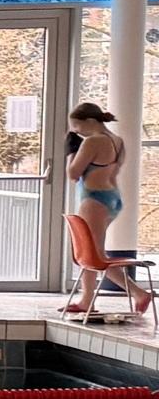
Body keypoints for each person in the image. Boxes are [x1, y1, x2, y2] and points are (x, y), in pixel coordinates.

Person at [65, 102, 151, 320]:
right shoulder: (117, 141)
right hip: (112, 198)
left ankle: (133, 293)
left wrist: (71, 151)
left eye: (77, 126)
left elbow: (73, 173)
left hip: (94, 200)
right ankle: (88, 299)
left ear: (90, 121)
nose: (76, 131)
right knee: (95, 254)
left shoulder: (93, 141)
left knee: (92, 256)